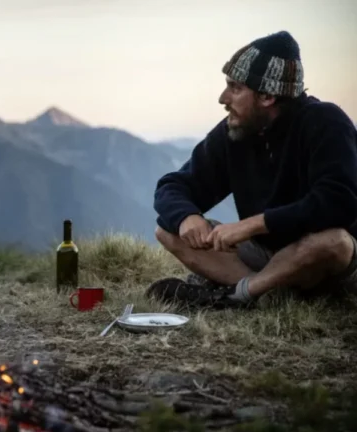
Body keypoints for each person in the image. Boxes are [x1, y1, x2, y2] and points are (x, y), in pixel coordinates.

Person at [148, 31, 357, 309]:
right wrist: (187, 216)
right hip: (266, 257)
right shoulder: (234, 133)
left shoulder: (326, 122)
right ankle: (258, 294)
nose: (223, 98)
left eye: (235, 88)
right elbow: (173, 186)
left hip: (322, 262)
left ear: (267, 96)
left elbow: (338, 203)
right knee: (168, 229)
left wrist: (252, 225)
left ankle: (236, 294)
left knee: (334, 242)